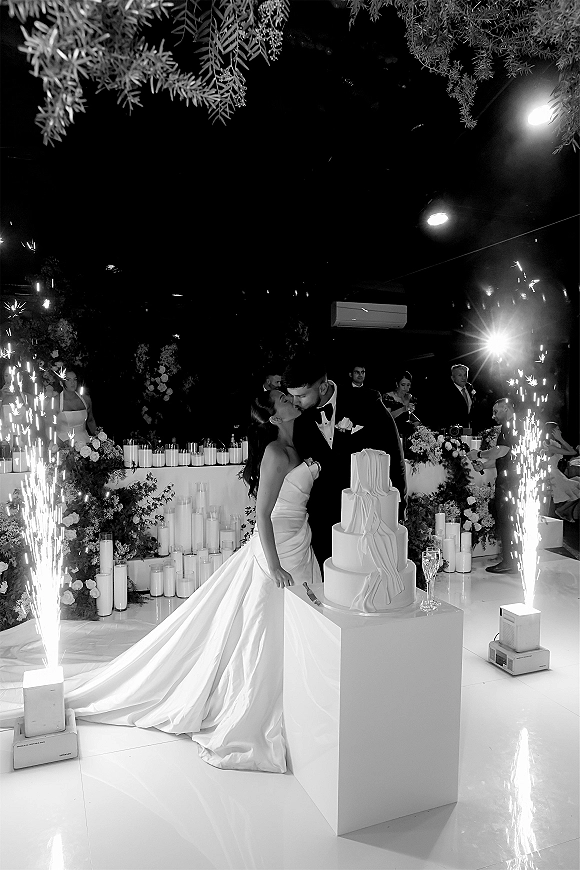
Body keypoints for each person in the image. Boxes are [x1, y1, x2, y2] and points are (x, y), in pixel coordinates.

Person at [0, 390, 321, 774]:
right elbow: (264, 515)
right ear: (273, 417)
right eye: (283, 397)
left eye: (288, 394)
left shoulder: (298, 445)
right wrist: (274, 566)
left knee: (289, 627)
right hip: (279, 553)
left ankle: (300, 699)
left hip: (300, 543)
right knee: (264, 631)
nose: (290, 398)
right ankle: (258, 704)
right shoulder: (274, 452)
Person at [285, 353, 406, 567]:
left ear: (322, 388)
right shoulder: (299, 419)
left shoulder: (366, 401)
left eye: (301, 396)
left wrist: (398, 506)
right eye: (292, 396)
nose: (295, 403)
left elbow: (393, 453)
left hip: (367, 514)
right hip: (322, 518)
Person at [468, 398, 519, 574]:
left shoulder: (509, 426)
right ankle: (514, 559)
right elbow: (505, 457)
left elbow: (501, 451)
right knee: (510, 520)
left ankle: (509, 562)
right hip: (515, 480)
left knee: (505, 520)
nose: (493, 416)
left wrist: (479, 453)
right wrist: (484, 465)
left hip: (509, 483)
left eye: (496, 412)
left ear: (506, 408)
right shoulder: (519, 424)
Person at [542, 422, 580, 521]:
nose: (560, 431)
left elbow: (571, 450)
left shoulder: (552, 444)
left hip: (556, 473)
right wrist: (560, 438)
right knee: (576, 490)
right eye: (558, 429)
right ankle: (560, 511)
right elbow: (573, 452)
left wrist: (559, 439)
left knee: (576, 488)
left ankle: (560, 511)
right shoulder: (549, 446)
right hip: (552, 475)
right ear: (553, 431)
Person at [55, 368, 97, 448]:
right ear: (61, 382)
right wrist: (60, 445)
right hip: (63, 444)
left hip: (85, 442)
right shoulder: (56, 401)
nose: (72, 382)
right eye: (68, 380)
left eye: (75, 379)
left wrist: (99, 438)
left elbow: (90, 420)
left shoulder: (86, 399)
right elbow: (48, 427)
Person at [433, 364, 476, 431]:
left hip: (469, 429)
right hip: (454, 431)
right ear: (452, 378)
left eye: (465, 375)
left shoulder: (469, 388)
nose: (463, 378)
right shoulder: (446, 393)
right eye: (460, 375)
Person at [381, 371, 420, 438]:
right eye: (403, 385)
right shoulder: (388, 397)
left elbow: (409, 415)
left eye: (408, 385)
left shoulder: (409, 397)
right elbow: (386, 417)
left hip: (406, 432)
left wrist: (416, 421)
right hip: (392, 432)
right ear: (397, 384)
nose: (405, 388)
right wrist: (403, 409)